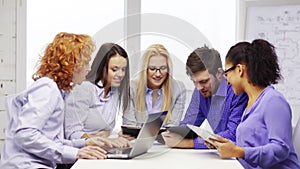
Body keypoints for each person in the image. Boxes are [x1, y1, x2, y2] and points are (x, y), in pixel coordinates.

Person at [0, 32, 108, 169]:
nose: (89, 68)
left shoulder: (57, 90)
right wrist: (76, 153)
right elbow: (25, 134)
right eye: (86, 63)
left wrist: (85, 143)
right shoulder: (48, 88)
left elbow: (52, 141)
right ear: (70, 64)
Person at [209, 39, 300, 168]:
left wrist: (238, 152)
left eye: (227, 73)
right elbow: (253, 145)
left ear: (239, 70)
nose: (227, 81)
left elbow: (280, 149)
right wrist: (225, 145)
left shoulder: (273, 101)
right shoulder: (250, 102)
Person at [162, 46, 248, 149]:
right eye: (195, 82)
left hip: (235, 157)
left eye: (204, 81)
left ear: (220, 74)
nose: (198, 88)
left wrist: (190, 143)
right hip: (217, 153)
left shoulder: (237, 90)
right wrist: (170, 133)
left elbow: (233, 135)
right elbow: (189, 125)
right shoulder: (200, 90)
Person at [64, 43, 131, 142]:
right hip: (81, 150)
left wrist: (113, 135)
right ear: (102, 67)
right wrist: (96, 139)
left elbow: (106, 130)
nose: (120, 74)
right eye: (114, 69)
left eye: (123, 69)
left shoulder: (115, 90)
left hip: (100, 148)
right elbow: (72, 133)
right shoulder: (84, 89)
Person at [122, 44, 186, 127]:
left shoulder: (178, 89)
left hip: (165, 139)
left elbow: (172, 127)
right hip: (135, 139)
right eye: (152, 69)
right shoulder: (130, 89)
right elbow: (129, 126)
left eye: (163, 68)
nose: (158, 74)